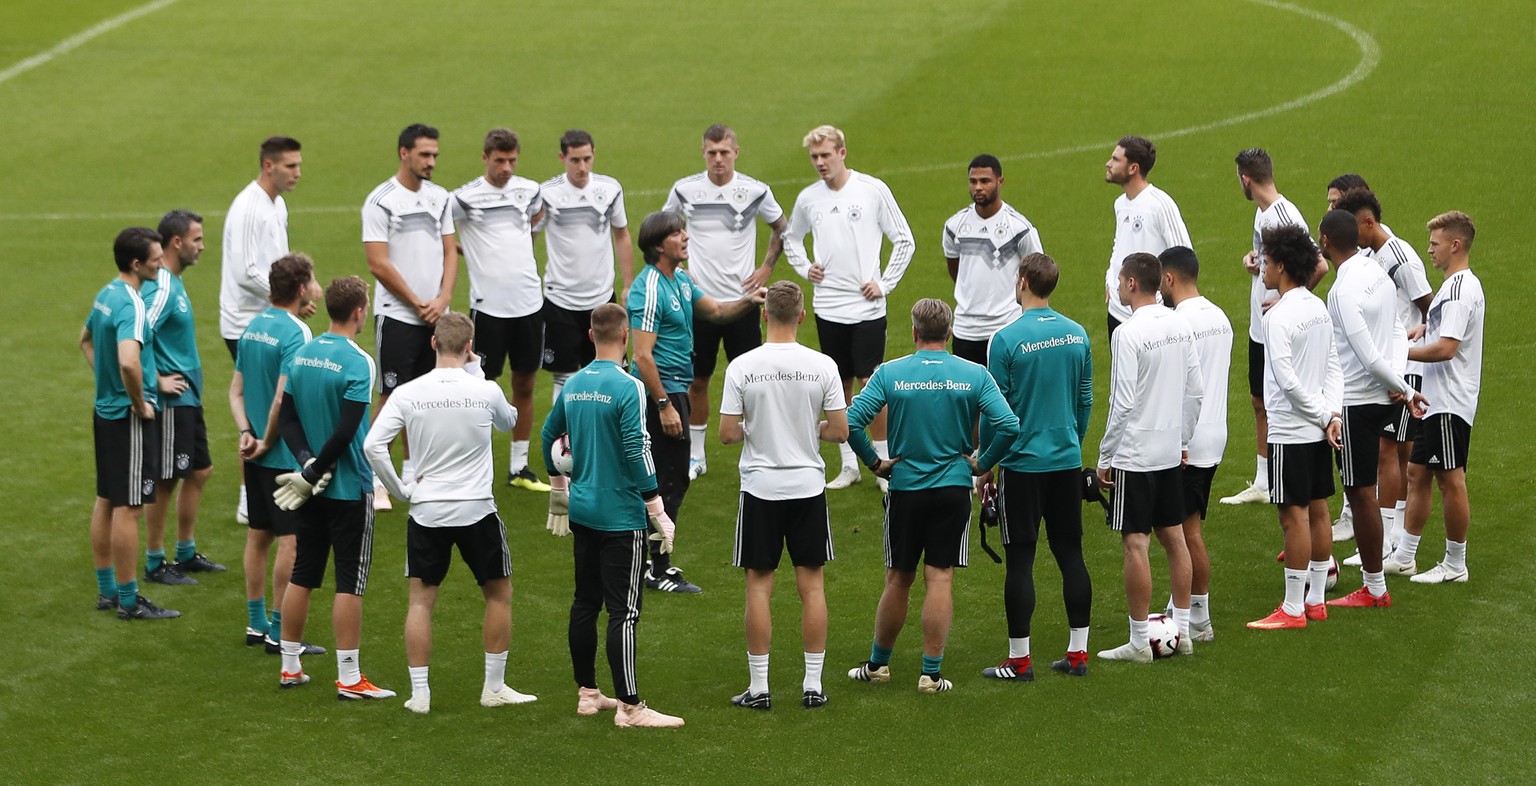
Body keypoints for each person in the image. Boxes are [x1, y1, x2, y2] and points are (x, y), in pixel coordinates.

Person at [364, 312, 538, 714]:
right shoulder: (486, 390)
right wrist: (478, 375)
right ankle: (493, 688)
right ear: (469, 346)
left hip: (427, 511)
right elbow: (510, 420)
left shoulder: (408, 393)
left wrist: (400, 489)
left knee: (421, 602)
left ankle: (420, 695)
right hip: (477, 508)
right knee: (498, 594)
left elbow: (373, 446)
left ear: (432, 344)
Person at [844, 299, 1019, 693]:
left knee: (898, 578)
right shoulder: (973, 374)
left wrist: (875, 462)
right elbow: (1008, 424)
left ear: (914, 332)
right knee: (940, 577)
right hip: (953, 489)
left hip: (905, 488)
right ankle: (931, 674)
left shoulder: (891, 373)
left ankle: (878, 666)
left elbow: (852, 420)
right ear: (951, 332)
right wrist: (980, 462)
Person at [541, 303, 685, 728]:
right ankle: (630, 707)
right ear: (625, 337)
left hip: (582, 509)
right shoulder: (629, 386)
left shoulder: (574, 384)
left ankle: (588, 694)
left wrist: (558, 488)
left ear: (590, 336)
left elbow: (550, 434)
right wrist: (656, 507)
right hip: (621, 514)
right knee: (624, 611)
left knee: (585, 601)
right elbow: (637, 449)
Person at [718, 281, 848, 709]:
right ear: (802, 316)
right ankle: (813, 686)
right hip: (807, 487)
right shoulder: (823, 365)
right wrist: (811, 429)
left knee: (759, 588)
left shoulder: (742, 366)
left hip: (760, 487)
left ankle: (759, 689)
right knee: (811, 587)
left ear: (763, 315)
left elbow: (727, 434)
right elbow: (841, 431)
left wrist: (757, 427)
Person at [627, 211, 768, 594]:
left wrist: (750, 301)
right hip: (663, 393)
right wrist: (663, 405)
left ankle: (650, 563)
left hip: (675, 390)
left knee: (669, 480)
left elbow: (719, 312)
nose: (686, 237)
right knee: (665, 481)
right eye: (677, 233)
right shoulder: (651, 287)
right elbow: (641, 355)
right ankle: (655, 568)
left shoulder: (681, 279)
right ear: (659, 245)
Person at [273, 276, 394, 699]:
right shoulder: (359, 361)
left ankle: (290, 667)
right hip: (345, 488)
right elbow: (347, 431)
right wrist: (316, 469)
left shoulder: (303, 354)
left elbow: (287, 418)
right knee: (349, 581)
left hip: (307, 487)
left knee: (304, 571)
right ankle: (348, 677)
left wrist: (306, 464)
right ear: (359, 312)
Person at [979, 253, 1093, 680]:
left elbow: (997, 413)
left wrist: (986, 465)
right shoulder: (1077, 334)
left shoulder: (1005, 340)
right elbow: (1084, 400)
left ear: (1023, 281)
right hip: (1065, 461)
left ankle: (1019, 660)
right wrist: (1071, 443)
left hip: (1022, 467)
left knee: (1021, 561)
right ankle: (1078, 655)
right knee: (1071, 555)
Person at [784, 125, 915, 492]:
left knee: (869, 384)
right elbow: (791, 237)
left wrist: (884, 283)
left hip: (866, 309)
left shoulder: (872, 190)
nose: (820, 163)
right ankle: (848, 464)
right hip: (828, 307)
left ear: (842, 152)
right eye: (814, 157)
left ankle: (883, 461)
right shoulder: (809, 199)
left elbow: (904, 239)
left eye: (826, 155)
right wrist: (804, 266)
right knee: (836, 385)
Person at [662, 124, 788, 482]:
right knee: (697, 380)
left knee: (752, 379)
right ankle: (696, 456)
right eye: (711, 152)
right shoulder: (685, 190)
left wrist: (766, 267)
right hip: (699, 304)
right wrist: (677, 264)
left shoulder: (754, 191)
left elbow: (781, 227)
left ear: (736, 152)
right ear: (703, 152)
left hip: (743, 303)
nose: (718, 159)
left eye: (724, 152)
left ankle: (759, 450)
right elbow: (664, 226)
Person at [1096, 253, 1202, 660]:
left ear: (1132, 284)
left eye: (1121, 280)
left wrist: (1106, 455)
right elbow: (1195, 390)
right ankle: (1185, 632)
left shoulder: (1127, 333)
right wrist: (1182, 440)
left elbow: (1123, 402)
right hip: (1168, 449)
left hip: (1136, 454)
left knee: (1136, 544)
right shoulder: (1179, 322)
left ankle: (1140, 642)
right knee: (1175, 538)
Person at [1317, 209, 1424, 609]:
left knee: (1360, 492)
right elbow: (1397, 329)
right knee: (1377, 479)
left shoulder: (1341, 292)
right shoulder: (1376, 273)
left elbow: (1363, 355)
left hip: (1359, 403)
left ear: (1326, 242)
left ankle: (1374, 587)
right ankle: (1375, 580)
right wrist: (1399, 381)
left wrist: (1403, 388)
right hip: (1386, 394)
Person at [1247, 226, 1343, 630]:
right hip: (1319, 429)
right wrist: (1332, 415)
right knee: (1319, 511)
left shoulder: (1278, 315)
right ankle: (1317, 600)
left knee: (1294, 518)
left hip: (1290, 430)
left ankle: (1292, 608)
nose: (1262, 268)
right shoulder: (1316, 307)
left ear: (1282, 265)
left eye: (1266, 261)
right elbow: (1334, 365)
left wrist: (1323, 416)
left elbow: (1286, 381)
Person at [229, 253, 325, 656]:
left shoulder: (253, 326)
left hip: (253, 455)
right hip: (282, 455)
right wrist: (268, 440)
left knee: (258, 536)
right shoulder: (296, 333)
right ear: (301, 288)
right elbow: (281, 403)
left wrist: (246, 435)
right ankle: (281, 632)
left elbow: (235, 391)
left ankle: (256, 623)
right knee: (291, 543)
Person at [81, 227, 178, 620]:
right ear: (136, 264)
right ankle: (129, 599)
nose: (160, 263)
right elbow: (128, 360)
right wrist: (138, 402)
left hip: (105, 411)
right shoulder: (133, 305)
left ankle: (108, 591)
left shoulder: (106, 294)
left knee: (106, 498)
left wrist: (106, 384)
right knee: (130, 506)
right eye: (156, 258)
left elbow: (85, 340)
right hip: (127, 418)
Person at [1385, 212, 1485, 584]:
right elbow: (1440, 331)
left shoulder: (1460, 290)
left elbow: (1446, 349)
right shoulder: (1453, 286)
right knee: (1416, 471)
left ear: (1455, 245)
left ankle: (1455, 564)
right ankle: (1406, 556)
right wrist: (1422, 330)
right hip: (1434, 398)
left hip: (1449, 400)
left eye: (1435, 243)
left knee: (1450, 479)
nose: (1429, 250)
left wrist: (1400, 355)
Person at [1333, 187, 1433, 557]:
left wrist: (1402, 376)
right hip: (1391, 370)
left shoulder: (1400, 257)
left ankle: (1388, 537)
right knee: (1392, 452)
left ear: (1369, 221)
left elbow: (1428, 308)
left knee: (1389, 451)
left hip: (1403, 369)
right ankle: (1388, 533)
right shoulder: (1371, 256)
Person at [362, 123, 458, 510]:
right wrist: (419, 303)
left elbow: (451, 251)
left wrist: (444, 298)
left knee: (426, 397)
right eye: (424, 155)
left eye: (435, 155)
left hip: (436, 313)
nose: (431, 162)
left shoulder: (441, 198)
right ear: (404, 153)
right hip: (398, 316)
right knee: (391, 397)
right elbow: (377, 263)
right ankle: (373, 480)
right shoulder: (381, 201)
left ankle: (413, 472)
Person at [450, 128, 552, 492]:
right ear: (484, 158)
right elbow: (442, 235)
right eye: (499, 161)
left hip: (529, 304)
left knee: (525, 382)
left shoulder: (531, 190)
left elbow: (534, 222)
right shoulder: (463, 198)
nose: (506, 168)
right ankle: (472, 465)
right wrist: (466, 253)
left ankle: (519, 468)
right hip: (487, 308)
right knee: (479, 386)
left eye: (511, 160)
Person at [221, 136, 305, 525]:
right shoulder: (248, 209)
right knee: (260, 407)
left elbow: (282, 260)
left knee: (273, 401)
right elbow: (246, 272)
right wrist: (289, 296)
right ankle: (249, 495)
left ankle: (257, 489)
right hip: (246, 322)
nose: (297, 173)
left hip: (271, 316)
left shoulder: (278, 203)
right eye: (290, 166)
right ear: (269, 165)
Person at [1222, 149, 1309, 507]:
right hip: (1261, 326)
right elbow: (1272, 262)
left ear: (1246, 179)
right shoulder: (1263, 215)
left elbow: (1315, 264)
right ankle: (1264, 480)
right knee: (1259, 399)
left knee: (1284, 400)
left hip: (1281, 326)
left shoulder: (1284, 215)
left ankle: (1291, 479)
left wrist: (1290, 302)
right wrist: (1254, 261)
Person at [141, 210, 222, 588]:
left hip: (189, 394)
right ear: (177, 242)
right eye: (197, 239)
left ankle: (185, 551)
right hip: (173, 398)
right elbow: (137, 332)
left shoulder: (173, 282)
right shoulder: (160, 287)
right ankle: (156, 561)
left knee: (200, 469)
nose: (202, 246)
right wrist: (155, 380)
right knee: (167, 478)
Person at [1156, 246, 1232, 641]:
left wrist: (1177, 439)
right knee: (1190, 528)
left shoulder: (1178, 324)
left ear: (1169, 279)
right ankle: (1184, 605)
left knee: (1187, 533)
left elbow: (1184, 388)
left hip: (1190, 439)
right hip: (1216, 433)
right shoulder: (1219, 316)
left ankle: (1198, 617)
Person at [539, 129, 635, 405]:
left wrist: (627, 283)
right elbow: (528, 236)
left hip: (602, 299)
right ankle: (565, 439)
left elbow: (622, 234)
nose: (582, 167)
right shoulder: (547, 194)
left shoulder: (609, 190)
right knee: (564, 377)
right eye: (575, 160)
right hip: (561, 300)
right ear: (562, 157)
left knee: (612, 372)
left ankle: (611, 434)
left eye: (587, 159)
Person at [943, 154, 1044, 366]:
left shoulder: (1019, 228)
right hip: (965, 330)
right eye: (973, 181)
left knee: (1006, 396)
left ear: (1000, 181)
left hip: (1006, 327)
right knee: (968, 397)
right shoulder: (954, 226)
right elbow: (956, 270)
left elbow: (1039, 272)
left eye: (985, 181)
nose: (978, 187)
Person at [1102, 136, 1191, 338]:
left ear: (1133, 168)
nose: (1108, 164)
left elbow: (1183, 255)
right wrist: (1110, 279)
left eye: (1116, 160)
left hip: (1151, 314)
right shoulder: (1120, 204)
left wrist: (1167, 302)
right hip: (1118, 312)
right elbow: (1120, 244)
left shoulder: (1160, 205)